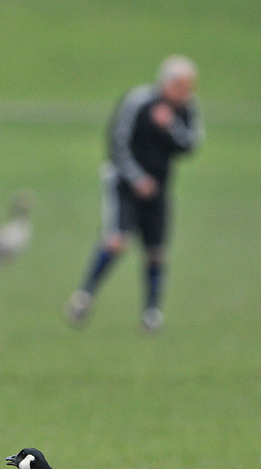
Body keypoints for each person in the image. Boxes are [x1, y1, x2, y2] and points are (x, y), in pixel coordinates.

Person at [66, 56, 203, 332]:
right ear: (167, 82)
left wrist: (170, 126)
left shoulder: (187, 109)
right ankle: (84, 296)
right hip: (123, 184)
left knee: (156, 252)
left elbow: (190, 145)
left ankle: (151, 313)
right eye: (182, 86)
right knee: (117, 240)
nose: (186, 92)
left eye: (190, 87)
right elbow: (116, 141)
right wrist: (137, 178)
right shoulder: (138, 101)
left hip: (159, 188)